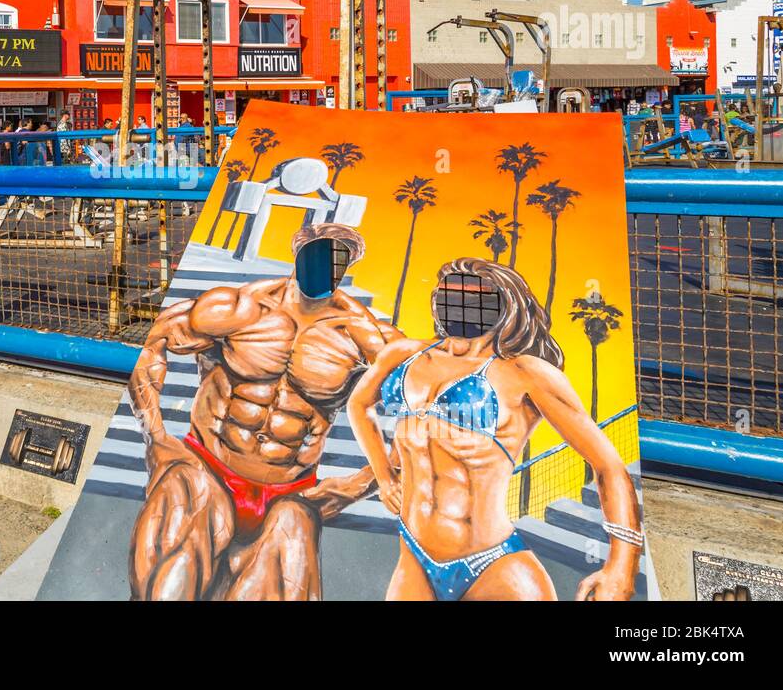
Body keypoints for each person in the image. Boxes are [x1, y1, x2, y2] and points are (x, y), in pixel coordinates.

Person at [348, 258, 642, 601]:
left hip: (495, 567)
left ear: (503, 305)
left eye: (473, 297)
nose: (457, 305)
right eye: (448, 293)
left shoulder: (524, 372)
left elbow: (608, 464)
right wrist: (384, 476)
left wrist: (621, 567)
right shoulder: (405, 355)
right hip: (414, 556)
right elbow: (358, 404)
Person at [128, 223, 388, 600]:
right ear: (298, 251)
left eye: (338, 257)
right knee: (176, 561)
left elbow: (430, 408)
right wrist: (154, 437)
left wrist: (365, 483)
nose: (326, 265)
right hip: (209, 466)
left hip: (288, 491)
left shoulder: (365, 337)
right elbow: (157, 341)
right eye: (319, 252)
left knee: (293, 533)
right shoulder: (240, 308)